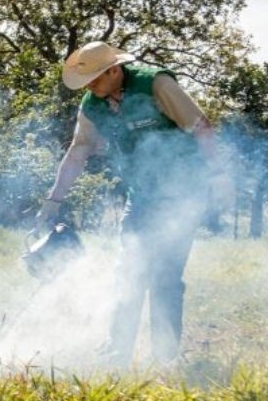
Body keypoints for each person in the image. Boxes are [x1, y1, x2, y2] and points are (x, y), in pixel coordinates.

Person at [36, 41, 233, 367]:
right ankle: (118, 353)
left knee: (165, 275)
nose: (89, 87)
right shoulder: (93, 105)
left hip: (183, 192)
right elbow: (78, 151)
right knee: (129, 269)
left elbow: (201, 126)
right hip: (141, 194)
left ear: (114, 70)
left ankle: (165, 358)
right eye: (85, 82)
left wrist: (219, 176)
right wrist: (53, 200)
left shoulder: (156, 84)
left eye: (94, 80)